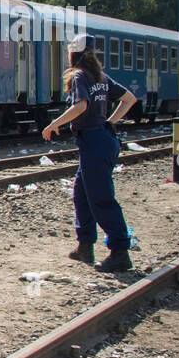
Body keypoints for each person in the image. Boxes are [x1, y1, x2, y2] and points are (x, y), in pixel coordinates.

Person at [42, 33, 137, 273]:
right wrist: (110, 122)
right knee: (82, 194)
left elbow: (81, 105)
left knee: (101, 199)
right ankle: (85, 245)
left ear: (73, 53)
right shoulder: (101, 77)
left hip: (94, 142)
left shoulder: (79, 76)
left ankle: (120, 252)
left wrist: (55, 124)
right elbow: (129, 99)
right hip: (100, 140)